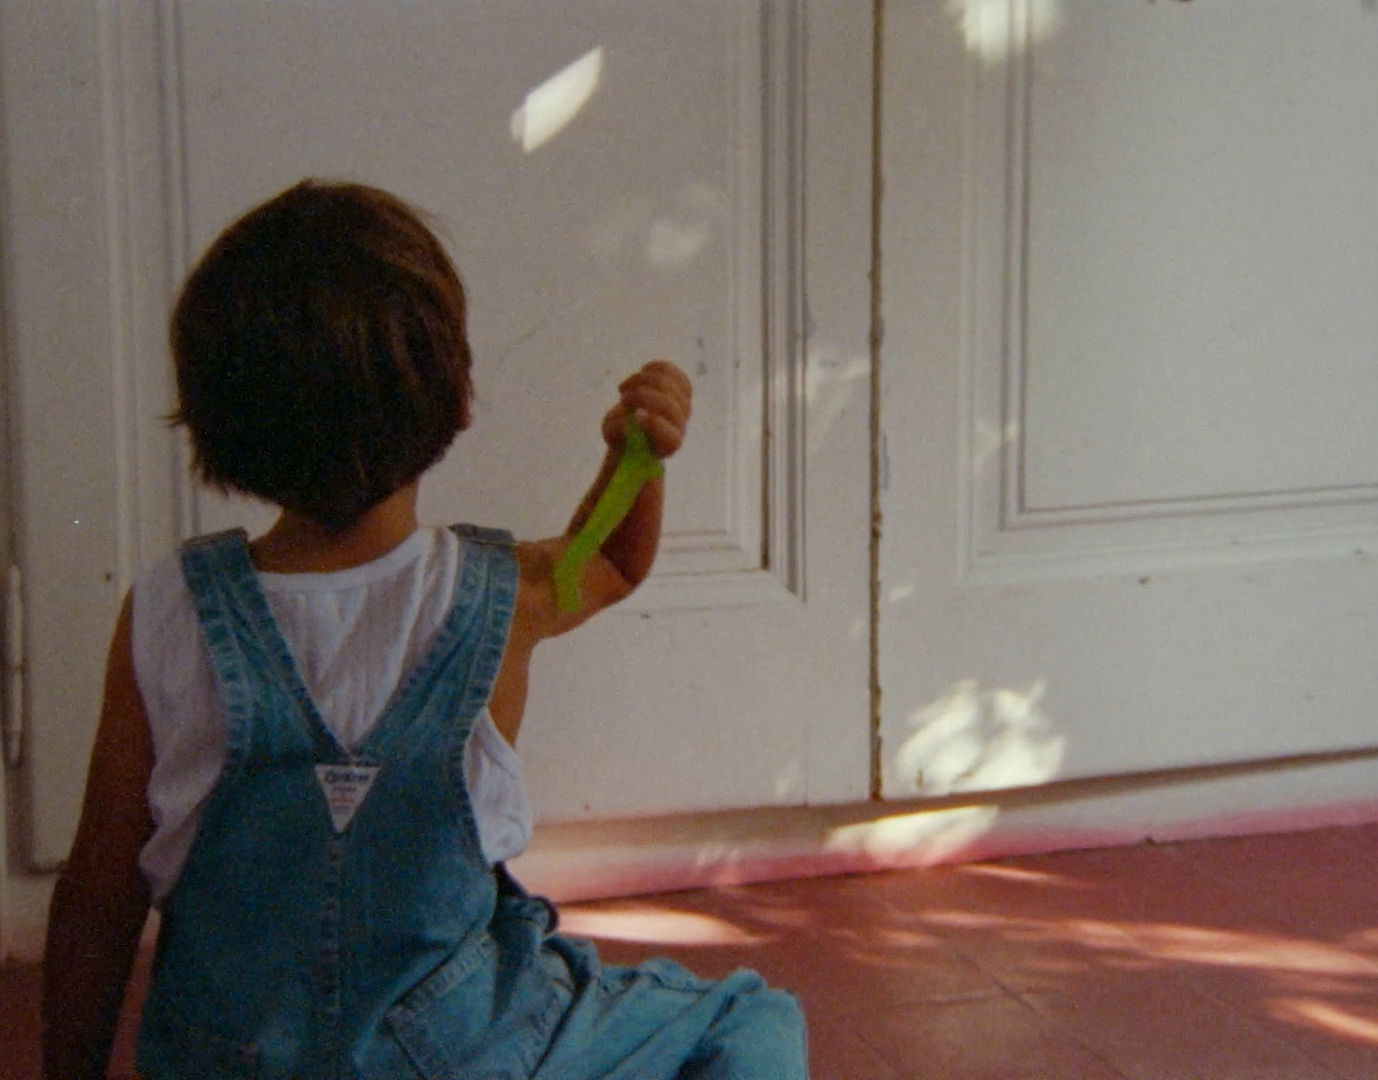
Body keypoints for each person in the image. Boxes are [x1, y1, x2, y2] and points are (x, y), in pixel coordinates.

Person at [41, 180, 808, 1080]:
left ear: (214, 419)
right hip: (455, 1058)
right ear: (455, 397)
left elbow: (100, 892)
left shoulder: (168, 608)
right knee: (751, 1020)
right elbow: (612, 565)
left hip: (223, 1061)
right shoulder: (497, 594)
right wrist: (634, 457)